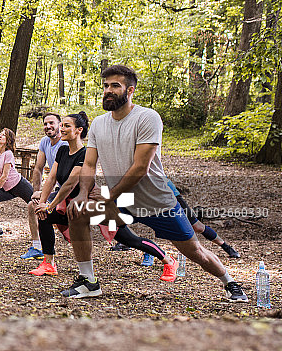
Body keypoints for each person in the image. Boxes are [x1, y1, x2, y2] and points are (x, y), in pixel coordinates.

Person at [64, 65, 247, 301]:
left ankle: (230, 282)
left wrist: (109, 196)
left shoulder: (147, 118)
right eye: (106, 86)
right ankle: (89, 281)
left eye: (115, 86)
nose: (108, 91)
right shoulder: (99, 124)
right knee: (78, 212)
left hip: (157, 202)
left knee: (196, 252)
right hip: (124, 201)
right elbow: (89, 165)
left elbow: (140, 168)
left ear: (130, 91)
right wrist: (82, 194)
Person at [31, 112, 173, 279]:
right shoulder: (62, 151)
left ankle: (168, 260)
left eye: (66, 126)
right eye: (61, 125)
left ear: (79, 130)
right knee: (45, 217)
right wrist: (42, 204)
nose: (61, 129)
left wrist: (49, 205)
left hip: (92, 202)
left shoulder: (84, 154)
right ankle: (49, 263)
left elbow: (70, 184)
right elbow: (52, 178)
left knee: (128, 239)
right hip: (70, 206)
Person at [139, 178, 240, 265]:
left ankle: (226, 247)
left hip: (168, 193)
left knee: (197, 227)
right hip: (145, 195)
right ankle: (149, 251)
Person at [21, 113, 65, 259]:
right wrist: (36, 192)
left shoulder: (64, 144)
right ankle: (37, 247)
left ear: (60, 124)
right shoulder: (45, 142)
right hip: (57, 187)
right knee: (33, 205)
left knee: (42, 209)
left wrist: (43, 197)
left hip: (68, 189)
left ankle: (47, 252)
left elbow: (55, 176)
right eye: (45, 124)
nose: (48, 126)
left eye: (52, 123)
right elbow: (38, 168)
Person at [0, 128, 34, 238]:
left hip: (19, 184)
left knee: (36, 203)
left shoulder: (8, 154)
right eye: (0, 134)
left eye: (4, 135)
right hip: (6, 189)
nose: (0, 136)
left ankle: (52, 223)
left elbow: (4, 176)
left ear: (8, 140)